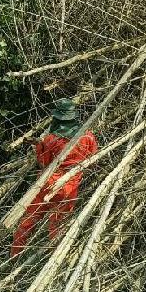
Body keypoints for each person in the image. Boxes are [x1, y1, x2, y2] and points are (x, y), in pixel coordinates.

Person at [11, 98, 98, 255]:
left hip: (48, 184)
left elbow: (44, 163)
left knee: (27, 223)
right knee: (57, 228)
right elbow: (92, 159)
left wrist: (39, 146)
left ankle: (14, 257)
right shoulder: (88, 136)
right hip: (70, 188)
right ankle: (54, 259)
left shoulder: (51, 139)